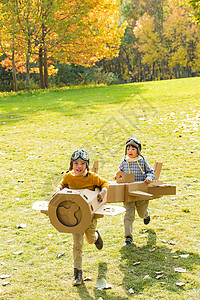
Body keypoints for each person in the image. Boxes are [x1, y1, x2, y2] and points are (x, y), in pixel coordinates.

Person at [56, 149, 109, 286]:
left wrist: (103, 192)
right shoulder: (69, 176)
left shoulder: (92, 177)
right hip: (75, 216)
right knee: (77, 244)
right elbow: (62, 183)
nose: (79, 166)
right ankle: (77, 273)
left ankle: (96, 236)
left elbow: (105, 183)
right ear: (71, 164)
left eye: (82, 164)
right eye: (76, 163)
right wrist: (59, 189)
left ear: (86, 165)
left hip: (90, 215)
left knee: (90, 240)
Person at [115, 137, 155, 246]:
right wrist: (117, 176)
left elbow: (151, 172)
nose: (130, 151)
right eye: (128, 149)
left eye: (133, 149)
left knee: (141, 213)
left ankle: (146, 214)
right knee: (128, 214)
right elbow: (120, 173)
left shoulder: (142, 161)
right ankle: (128, 237)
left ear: (138, 151)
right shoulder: (124, 162)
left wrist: (149, 178)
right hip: (127, 193)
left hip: (141, 192)